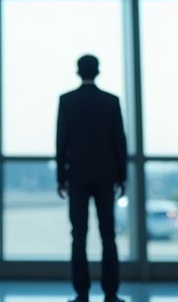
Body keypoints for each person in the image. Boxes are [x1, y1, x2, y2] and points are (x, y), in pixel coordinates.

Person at [57, 55, 127, 302]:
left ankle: (82, 292)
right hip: (106, 174)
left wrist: (60, 177)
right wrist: (122, 175)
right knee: (108, 234)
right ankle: (111, 292)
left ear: (78, 72)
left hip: (76, 174)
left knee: (78, 234)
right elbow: (119, 140)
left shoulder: (67, 101)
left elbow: (61, 142)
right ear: (98, 71)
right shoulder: (111, 101)